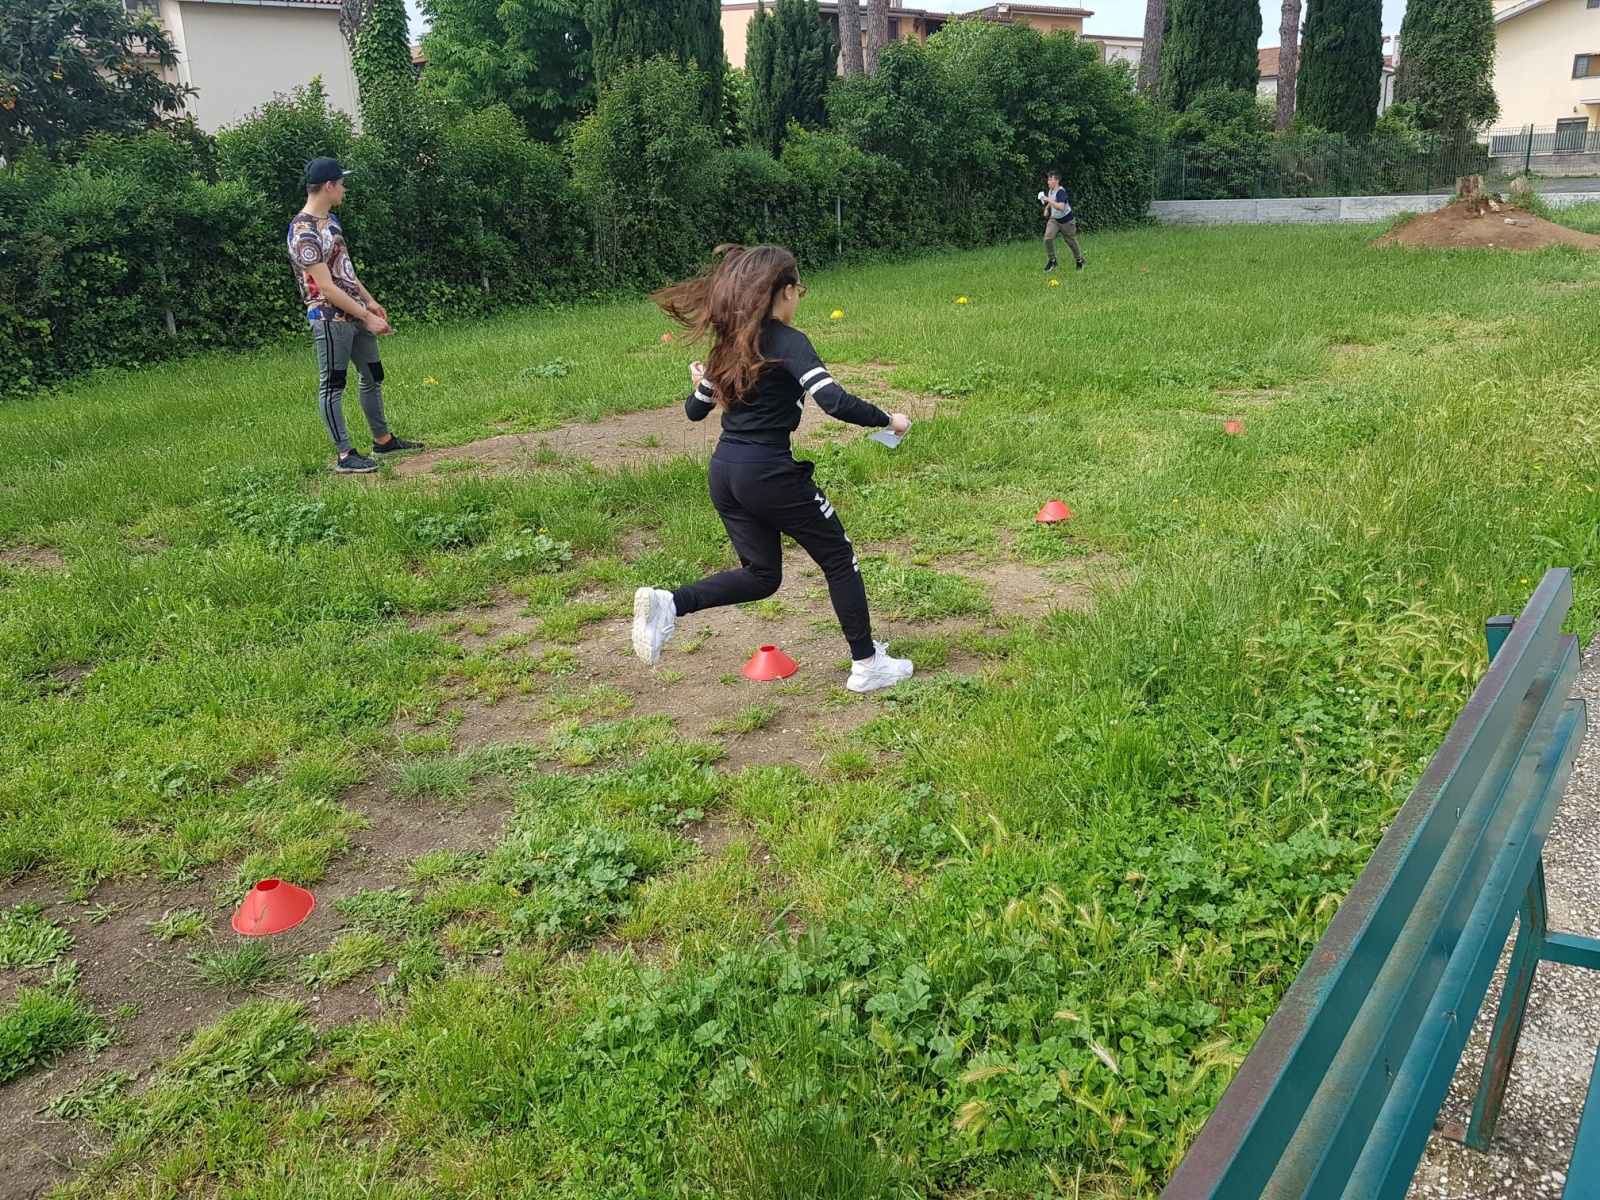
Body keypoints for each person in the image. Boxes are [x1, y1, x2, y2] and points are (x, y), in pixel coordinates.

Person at [631, 244, 916, 694]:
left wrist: (702, 383)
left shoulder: (729, 344)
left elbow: (694, 411)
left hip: (726, 471)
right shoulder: (789, 342)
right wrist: (889, 420)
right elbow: (834, 401)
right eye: (799, 289)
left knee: (762, 575)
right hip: (767, 472)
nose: (799, 297)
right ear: (785, 290)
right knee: (838, 557)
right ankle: (867, 664)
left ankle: (671, 603)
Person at [287, 157, 424, 474]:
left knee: (373, 374)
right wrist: (367, 315)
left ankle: (383, 441)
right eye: (342, 183)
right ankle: (345, 455)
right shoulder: (303, 232)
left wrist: (370, 302)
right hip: (329, 317)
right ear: (328, 186)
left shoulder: (331, 221)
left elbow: (344, 270)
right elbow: (325, 286)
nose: (344, 189)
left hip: (356, 312)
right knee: (333, 384)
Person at [1038, 169, 1085, 273]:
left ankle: (1079, 261)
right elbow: (1052, 200)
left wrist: (1048, 200)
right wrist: (1046, 208)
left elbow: (1061, 207)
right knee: (1048, 238)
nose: (1048, 181)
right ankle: (1052, 261)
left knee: (1071, 242)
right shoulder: (1051, 190)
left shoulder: (1061, 192)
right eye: (1048, 179)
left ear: (1057, 180)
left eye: (1050, 180)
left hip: (1067, 221)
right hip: (1054, 219)